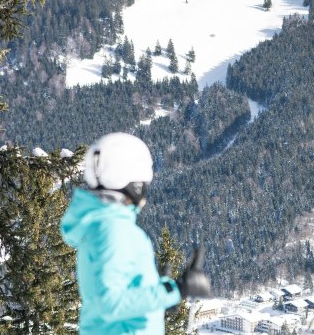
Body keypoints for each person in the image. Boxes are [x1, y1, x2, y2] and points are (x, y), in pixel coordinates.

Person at [60, 132, 211, 334]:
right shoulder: (112, 228)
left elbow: (120, 295)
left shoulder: (103, 224)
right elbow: (109, 302)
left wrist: (159, 296)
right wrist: (174, 290)